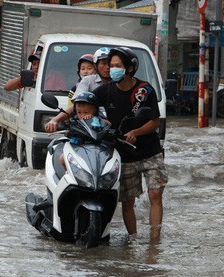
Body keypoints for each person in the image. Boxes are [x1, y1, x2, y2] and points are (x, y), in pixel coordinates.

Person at [46, 47, 167, 240]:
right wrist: (55, 120)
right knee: (127, 202)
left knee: (155, 194)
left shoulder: (145, 91)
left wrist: (136, 132)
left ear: (129, 68)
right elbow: (78, 105)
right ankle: (133, 239)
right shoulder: (105, 90)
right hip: (123, 153)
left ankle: (154, 241)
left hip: (149, 151)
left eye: (117, 66)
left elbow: (154, 122)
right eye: (110, 66)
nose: (112, 70)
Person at [48, 47, 111, 124]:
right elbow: (76, 105)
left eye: (110, 64)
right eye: (103, 63)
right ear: (96, 65)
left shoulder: (119, 83)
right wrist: (55, 120)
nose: (107, 67)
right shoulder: (87, 81)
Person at [58, 91, 110, 169]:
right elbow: (66, 123)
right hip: (78, 144)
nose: (82, 115)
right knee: (62, 159)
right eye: (79, 112)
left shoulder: (99, 115)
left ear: (95, 110)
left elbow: (108, 123)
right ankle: (68, 174)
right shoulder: (75, 119)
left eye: (86, 112)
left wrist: (94, 118)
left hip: (96, 146)